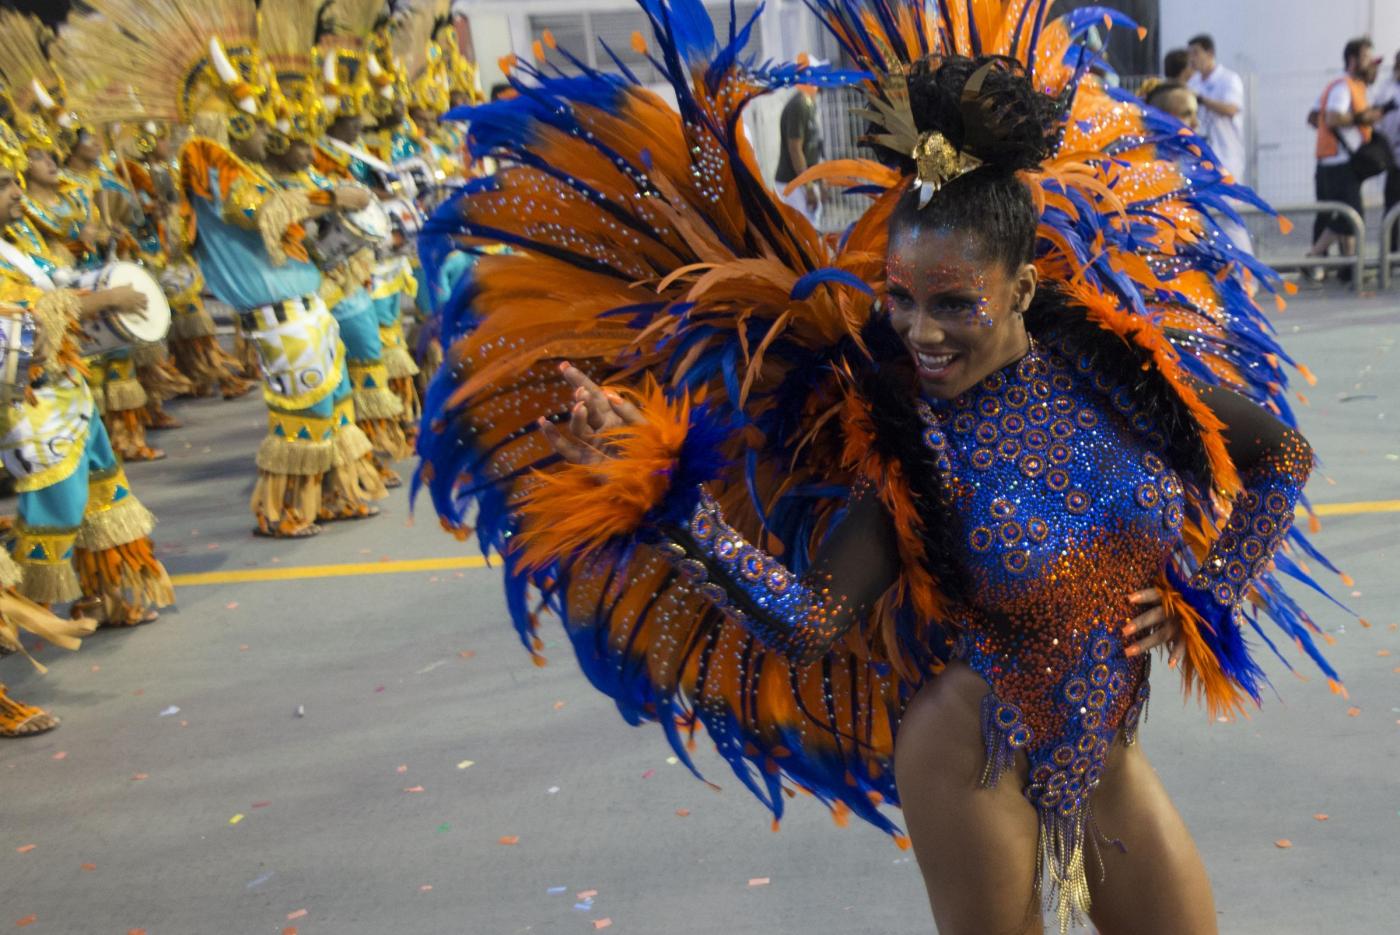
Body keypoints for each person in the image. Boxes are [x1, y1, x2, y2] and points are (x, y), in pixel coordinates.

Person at [417, 3, 1343, 934]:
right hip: (974, 753)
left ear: (1021, 289)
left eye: (953, 302)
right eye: (899, 298)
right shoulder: (907, 438)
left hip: (1109, 751)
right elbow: (815, 622)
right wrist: (665, 496)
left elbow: (1283, 457)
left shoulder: (1121, 372)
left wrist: (1213, 588)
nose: (919, 330)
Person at [0, 117, 174, 628]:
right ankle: (29, 617)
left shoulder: (16, 241)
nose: (17, 193)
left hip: (69, 391)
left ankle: (103, 595)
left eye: (14, 181)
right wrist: (108, 298)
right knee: (56, 510)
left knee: (103, 495)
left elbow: (56, 281)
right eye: (5, 184)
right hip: (31, 406)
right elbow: (28, 314)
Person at [1306, 37, 1383, 276]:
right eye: (1367, 58)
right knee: (1349, 216)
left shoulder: (1341, 85)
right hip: (1338, 163)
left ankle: (1349, 267)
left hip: (1331, 161)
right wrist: (1360, 119)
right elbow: (1331, 117)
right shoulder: (1343, 87)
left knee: (1344, 215)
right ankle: (1314, 256)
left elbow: (1314, 117)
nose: (1372, 64)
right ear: (1353, 60)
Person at [773, 65, 825, 226]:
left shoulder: (809, 104)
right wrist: (808, 186)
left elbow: (814, 148)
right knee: (803, 237)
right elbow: (795, 149)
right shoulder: (799, 105)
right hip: (794, 184)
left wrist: (820, 181)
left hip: (805, 182)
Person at [1374, 50, 1400, 251]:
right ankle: (1390, 256)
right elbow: (1377, 125)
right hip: (1395, 160)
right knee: (1392, 209)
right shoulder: (1387, 91)